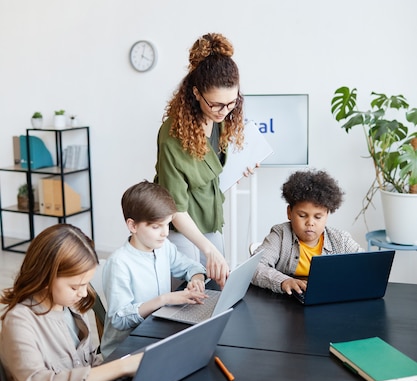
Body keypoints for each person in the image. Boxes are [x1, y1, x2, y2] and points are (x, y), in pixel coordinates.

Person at [0, 224, 143, 381]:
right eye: (75, 286)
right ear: (46, 277)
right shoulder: (19, 321)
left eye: (86, 284)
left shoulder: (73, 305)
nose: (84, 292)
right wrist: (120, 367)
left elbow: (86, 361)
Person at [154, 32, 247, 287]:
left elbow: (210, 173)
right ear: (196, 93)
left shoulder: (222, 119)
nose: (225, 111)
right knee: (188, 293)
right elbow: (175, 209)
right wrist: (208, 250)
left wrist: (241, 169)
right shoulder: (173, 136)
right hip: (180, 222)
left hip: (209, 216)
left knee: (220, 287)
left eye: (231, 103)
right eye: (216, 104)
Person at [100, 180, 208, 358]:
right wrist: (164, 299)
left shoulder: (164, 247)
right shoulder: (119, 263)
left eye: (168, 224)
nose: (165, 232)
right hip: (126, 351)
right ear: (133, 226)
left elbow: (191, 266)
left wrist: (197, 278)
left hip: (156, 335)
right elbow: (120, 319)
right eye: (156, 227)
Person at [251, 169, 363, 295]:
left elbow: (365, 265)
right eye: (302, 215)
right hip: (285, 302)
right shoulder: (280, 235)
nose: (310, 222)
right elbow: (254, 267)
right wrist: (284, 281)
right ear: (289, 212)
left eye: (318, 217)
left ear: (327, 215)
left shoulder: (341, 239)